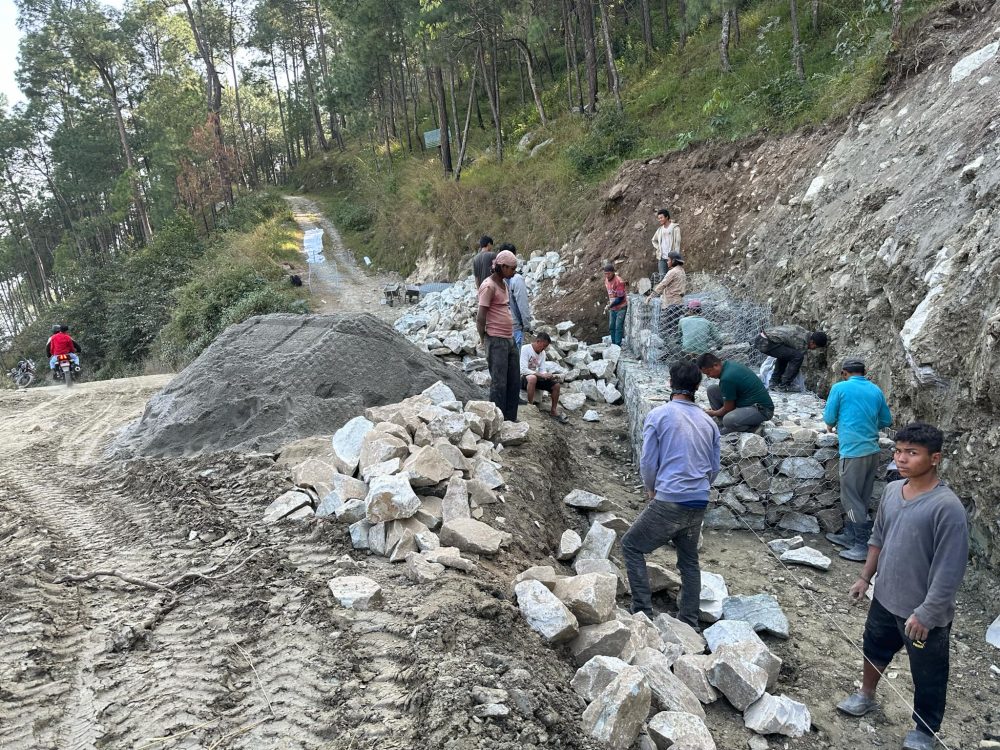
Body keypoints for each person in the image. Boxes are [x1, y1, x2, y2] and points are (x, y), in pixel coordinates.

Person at [837, 422, 968, 750]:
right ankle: (866, 694)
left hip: (922, 612)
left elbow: (950, 569)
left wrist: (927, 613)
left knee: (928, 672)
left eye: (912, 452)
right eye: (898, 451)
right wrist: (865, 577)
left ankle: (924, 730)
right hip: (885, 596)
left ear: (935, 458)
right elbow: (878, 536)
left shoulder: (947, 508)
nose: (901, 459)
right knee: (874, 647)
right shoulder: (894, 490)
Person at [621, 360, 720, 627]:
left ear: (669, 383)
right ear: (698, 386)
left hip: (670, 499)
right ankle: (688, 620)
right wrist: (699, 487)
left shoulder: (659, 415)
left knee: (631, 546)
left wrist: (651, 489)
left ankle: (642, 611)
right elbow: (714, 468)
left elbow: (648, 462)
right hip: (698, 501)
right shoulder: (708, 422)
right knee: (689, 561)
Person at [823, 358, 893, 561]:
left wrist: (833, 425)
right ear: (864, 372)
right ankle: (850, 535)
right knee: (862, 497)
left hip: (853, 451)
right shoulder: (875, 390)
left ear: (844, 373)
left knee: (850, 498)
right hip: (872, 451)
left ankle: (862, 545)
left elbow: (829, 417)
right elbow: (886, 420)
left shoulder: (840, 388)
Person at [477, 248, 520, 422]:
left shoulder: (504, 284)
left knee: (514, 381)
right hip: (496, 339)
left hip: (509, 338)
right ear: (502, 267)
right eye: (512, 268)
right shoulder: (489, 286)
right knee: (499, 382)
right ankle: (497, 421)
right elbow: (481, 316)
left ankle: (511, 419)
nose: (514, 272)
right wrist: (483, 338)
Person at [697, 352, 774, 434]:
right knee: (712, 390)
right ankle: (726, 424)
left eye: (708, 372)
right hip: (745, 402)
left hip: (763, 410)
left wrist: (713, 413)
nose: (709, 376)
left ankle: (752, 428)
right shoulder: (728, 364)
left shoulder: (726, 378)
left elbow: (728, 408)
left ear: (715, 365)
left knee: (728, 420)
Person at [753, 324, 828, 391]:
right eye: (815, 347)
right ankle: (784, 385)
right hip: (764, 343)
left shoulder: (804, 333)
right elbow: (797, 363)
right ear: (812, 342)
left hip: (762, 339)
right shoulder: (801, 342)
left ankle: (774, 382)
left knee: (787, 355)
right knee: (798, 357)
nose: (814, 349)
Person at [520, 332, 567, 423]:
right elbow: (523, 369)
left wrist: (547, 375)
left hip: (535, 376)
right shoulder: (525, 349)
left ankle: (553, 410)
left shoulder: (542, 353)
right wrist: (541, 375)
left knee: (556, 385)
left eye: (546, 347)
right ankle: (530, 406)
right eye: (544, 346)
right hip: (522, 377)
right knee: (532, 378)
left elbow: (542, 369)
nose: (544, 348)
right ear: (538, 341)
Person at [647, 251, 686, 349]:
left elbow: (662, 284)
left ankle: (671, 350)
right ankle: (674, 348)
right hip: (679, 303)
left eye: (668, 260)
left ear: (673, 261)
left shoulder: (672, 272)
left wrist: (651, 296)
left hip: (671, 304)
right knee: (675, 328)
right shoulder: (681, 271)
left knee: (669, 330)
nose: (667, 262)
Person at [505, 246, 531, 348]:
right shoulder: (516, 279)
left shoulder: (494, 278)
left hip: (498, 327)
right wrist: (527, 325)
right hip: (514, 325)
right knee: (515, 355)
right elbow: (522, 304)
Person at [602, 263, 628, 347]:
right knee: (611, 326)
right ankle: (613, 344)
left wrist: (610, 305)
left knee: (618, 326)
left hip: (621, 307)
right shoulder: (606, 280)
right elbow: (611, 294)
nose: (607, 276)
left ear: (613, 272)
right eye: (605, 274)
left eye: (609, 273)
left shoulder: (619, 281)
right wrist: (610, 303)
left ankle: (617, 345)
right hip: (613, 307)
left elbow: (620, 298)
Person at [651, 209, 681, 277]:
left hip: (671, 258)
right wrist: (658, 247)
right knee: (662, 278)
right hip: (662, 258)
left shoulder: (675, 228)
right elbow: (653, 240)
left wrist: (674, 258)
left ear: (666, 217)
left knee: (673, 278)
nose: (660, 220)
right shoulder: (660, 230)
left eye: (661, 218)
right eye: (659, 218)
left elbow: (677, 244)